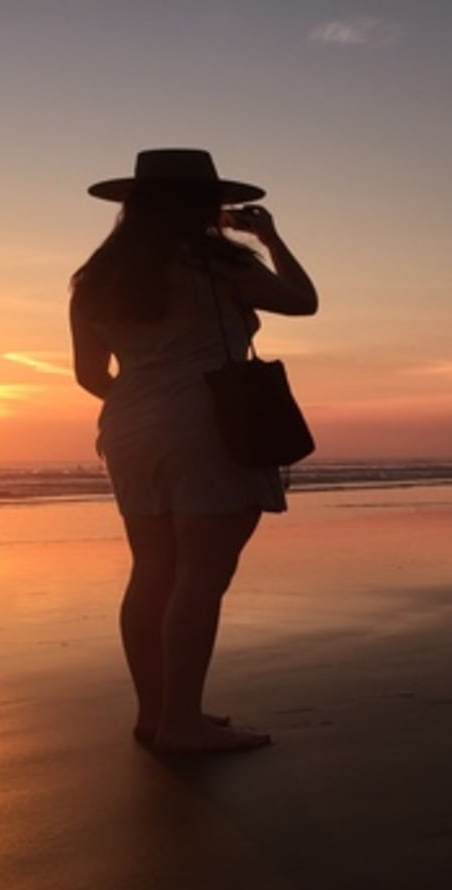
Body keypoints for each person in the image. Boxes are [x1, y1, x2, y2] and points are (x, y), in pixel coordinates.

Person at [69, 148, 318, 754]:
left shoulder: (96, 277)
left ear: (132, 206)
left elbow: (87, 373)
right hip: (209, 420)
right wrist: (270, 236)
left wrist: (146, 401)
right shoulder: (216, 262)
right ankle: (183, 723)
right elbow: (301, 299)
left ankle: (157, 715)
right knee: (201, 576)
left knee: (152, 570)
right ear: (204, 205)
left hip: (127, 427)